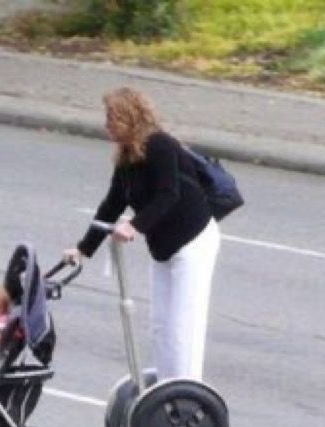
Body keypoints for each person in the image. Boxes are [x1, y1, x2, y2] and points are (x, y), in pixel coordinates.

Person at [64, 86, 221, 382]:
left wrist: (134, 226)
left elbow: (168, 194)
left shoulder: (159, 145)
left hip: (193, 242)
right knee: (160, 324)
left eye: (112, 117)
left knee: (184, 324)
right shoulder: (126, 157)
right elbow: (112, 204)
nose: (106, 124)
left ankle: (187, 389)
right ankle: (166, 385)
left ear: (130, 117)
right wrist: (83, 250)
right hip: (164, 246)